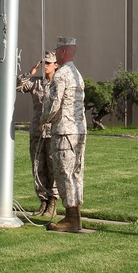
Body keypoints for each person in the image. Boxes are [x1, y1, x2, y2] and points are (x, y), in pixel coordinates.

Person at [41, 36, 87, 233]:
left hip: (64, 131)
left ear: (62, 52)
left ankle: (70, 218)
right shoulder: (77, 74)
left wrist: (43, 120)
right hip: (79, 130)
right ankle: (75, 215)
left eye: (58, 50)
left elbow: (53, 104)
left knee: (65, 173)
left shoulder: (61, 75)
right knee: (76, 173)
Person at [17, 51, 59, 217]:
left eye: (49, 63)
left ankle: (53, 203)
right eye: (44, 63)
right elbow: (19, 86)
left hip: (53, 132)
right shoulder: (36, 83)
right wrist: (30, 72)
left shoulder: (59, 83)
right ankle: (42, 201)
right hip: (37, 132)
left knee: (53, 168)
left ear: (56, 65)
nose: (46, 66)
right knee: (37, 166)